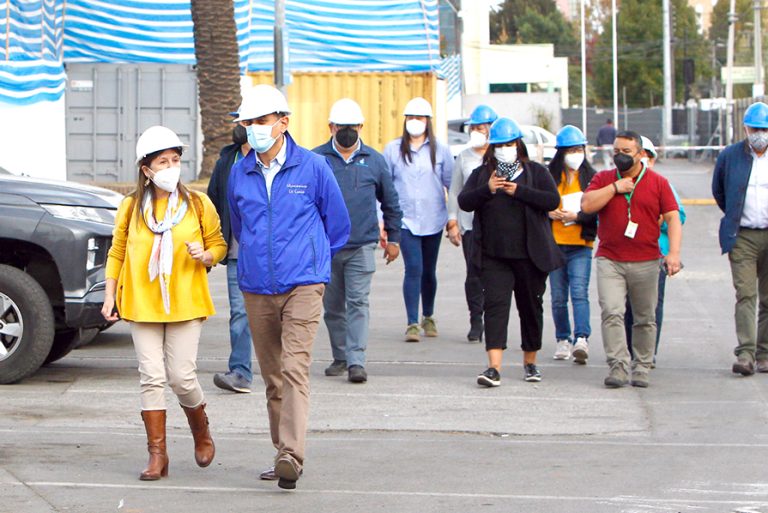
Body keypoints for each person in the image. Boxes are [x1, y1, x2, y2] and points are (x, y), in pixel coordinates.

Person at [228, 84, 350, 490]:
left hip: (304, 284)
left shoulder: (314, 167)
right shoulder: (239, 171)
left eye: (261, 121)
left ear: (283, 122)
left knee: (294, 368)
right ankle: (281, 450)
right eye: (248, 123)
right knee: (273, 377)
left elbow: (338, 225)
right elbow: (241, 225)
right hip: (257, 286)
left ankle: (291, 456)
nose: (254, 129)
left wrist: (313, 261)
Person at [101, 125, 227, 480]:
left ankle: (201, 431)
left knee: (182, 377)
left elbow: (219, 244)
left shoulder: (197, 204)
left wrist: (206, 255)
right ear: (146, 170)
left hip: (186, 301)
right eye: (162, 161)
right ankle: (158, 455)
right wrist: (110, 294)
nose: (171, 166)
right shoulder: (130, 207)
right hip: (142, 302)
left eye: (175, 159)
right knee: (151, 377)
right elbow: (118, 252)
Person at [458, 117, 564, 386]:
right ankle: (494, 367)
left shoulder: (537, 173)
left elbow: (552, 200)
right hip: (494, 256)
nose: (505, 149)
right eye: (499, 145)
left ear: (518, 145)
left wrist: (520, 191)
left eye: (509, 144)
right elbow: (465, 202)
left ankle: (530, 362)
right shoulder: (482, 175)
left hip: (530, 256)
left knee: (530, 308)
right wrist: (488, 190)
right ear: (492, 148)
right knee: (495, 308)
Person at [581, 130, 682, 389]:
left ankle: (642, 366)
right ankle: (618, 366)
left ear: (641, 155)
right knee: (612, 312)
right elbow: (587, 205)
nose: (620, 156)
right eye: (616, 152)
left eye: (626, 152)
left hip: (647, 260)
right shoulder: (603, 178)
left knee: (645, 317)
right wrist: (615, 188)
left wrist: (673, 254)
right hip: (610, 260)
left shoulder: (658, 182)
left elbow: (673, 217)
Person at [312, 98, 402, 383]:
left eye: (352, 127)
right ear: (331, 127)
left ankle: (356, 361)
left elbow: (391, 202)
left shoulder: (375, 161)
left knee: (359, 303)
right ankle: (341, 356)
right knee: (333, 307)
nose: (347, 131)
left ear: (361, 126)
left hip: (363, 246)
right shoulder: (316, 160)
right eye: (341, 126)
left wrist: (394, 239)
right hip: (327, 248)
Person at [383, 97, 453, 342]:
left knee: (428, 271)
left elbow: (450, 185)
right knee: (414, 268)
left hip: (433, 219)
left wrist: (453, 220)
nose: (415, 122)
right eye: (411, 118)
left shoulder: (441, 150)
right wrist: (383, 221)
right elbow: (384, 187)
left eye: (420, 118)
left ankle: (429, 315)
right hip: (405, 220)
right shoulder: (392, 150)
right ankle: (412, 321)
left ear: (428, 121)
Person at [712, 101, 768, 376]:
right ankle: (745, 353)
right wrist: (734, 216)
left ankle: (764, 353)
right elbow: (720, 192)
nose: (760, 133)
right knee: (746, 293)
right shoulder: (730, 156)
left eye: (765, 129)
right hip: (743, 235)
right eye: (755, 128)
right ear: (745, 128)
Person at [625, 136, 686, 364]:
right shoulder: (621, 182)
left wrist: (657, 219)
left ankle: (648, 353)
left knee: (651, 305)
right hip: (625, 253)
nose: (645, 160)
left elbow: (678, 216)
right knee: (626, 306)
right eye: (643, 156)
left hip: (655, 253)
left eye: (649, 157)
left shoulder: (662, 184)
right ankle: (631, 350)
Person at [208, 122, 254, 393]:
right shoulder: (227, 161)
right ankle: (240, 371)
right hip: (238, 252)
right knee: (239, 314)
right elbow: (212, 203)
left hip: (274, 255)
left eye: (248, 121)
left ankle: (285, 370)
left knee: (276, 314)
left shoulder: (281, 161)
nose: (241, 126)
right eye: (240, 121)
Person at [447, 104, 498, 342]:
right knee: (474, 274)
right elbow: (456, 191)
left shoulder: (501, 156)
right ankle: (476, 319)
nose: (477, 131)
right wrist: (453, 222)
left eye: (482, 127)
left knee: (496, 274)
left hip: (497, 226)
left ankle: (494, 318)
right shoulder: (465, 157)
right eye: (474, 128)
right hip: (470, 226)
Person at [547, 125, 598, 364]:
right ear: (560, 153)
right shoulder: (549, 177)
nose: (574, 154)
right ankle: (562, 339)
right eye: (570, 150)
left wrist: (577, 217)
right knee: (558, 296)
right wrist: (550, 212)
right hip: (555, 243)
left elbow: (598, 210)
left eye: (578, 149)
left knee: (579, 293)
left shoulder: (592, 178)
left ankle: (581, 338)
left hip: (580, 244)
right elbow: (539, 202)